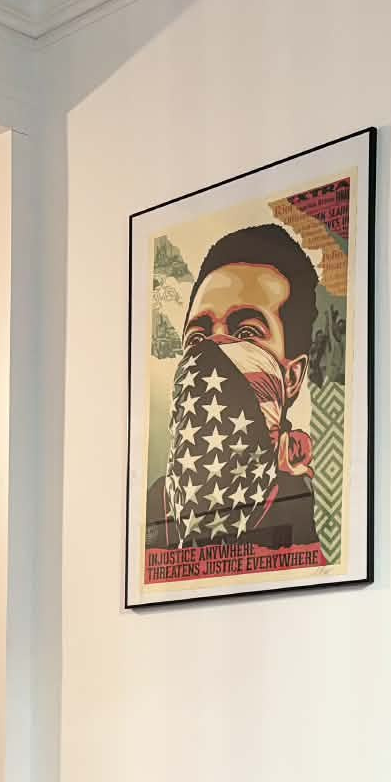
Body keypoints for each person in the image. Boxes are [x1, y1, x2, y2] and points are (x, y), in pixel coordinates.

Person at [145, 222, 322, 557]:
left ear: (292, 377)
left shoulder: (308, 511)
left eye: (246, 334)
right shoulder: (153, 509)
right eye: (198, 338)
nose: (213, 350)